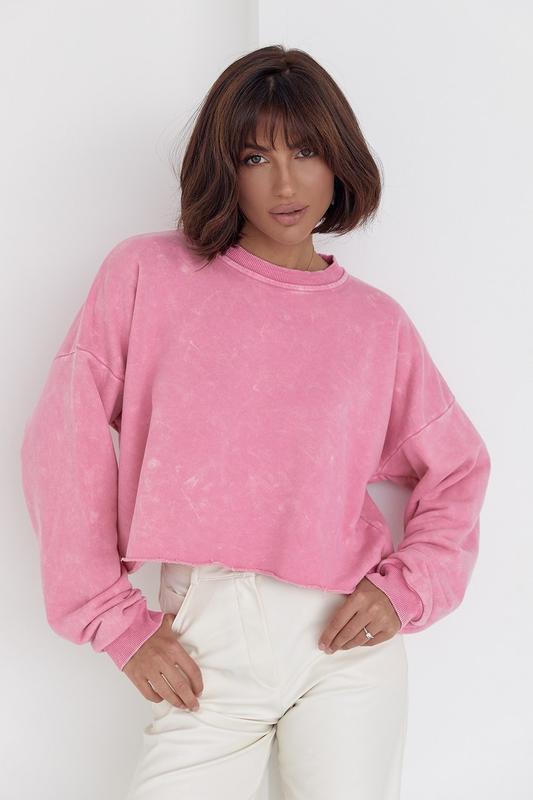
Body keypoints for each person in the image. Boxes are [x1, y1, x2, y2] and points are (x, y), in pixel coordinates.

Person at [19, 45, 491, 799]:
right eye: (254, 156)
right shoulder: (147, 275)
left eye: (305, 151)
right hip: (205, 637)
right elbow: (62, 439)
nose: (285, 183)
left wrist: (408, 588)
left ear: (338, 161)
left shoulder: (376, 325)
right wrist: (113, 621)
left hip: (344, 640)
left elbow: (458, 467)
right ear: (224, 168)